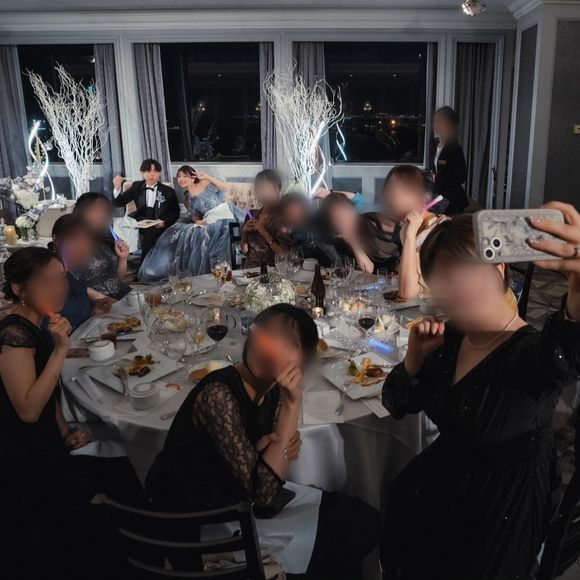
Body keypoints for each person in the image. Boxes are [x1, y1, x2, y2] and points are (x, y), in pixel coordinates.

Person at [380, 204, 580, 580]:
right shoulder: (450, 339)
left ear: (498, 269)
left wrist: (578, 286)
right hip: (439, 497)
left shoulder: (531, 355)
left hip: (498, 521)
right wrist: (413, 359)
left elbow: (565, 356)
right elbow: (396, 403)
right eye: (441, 277)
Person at [146, 304, 381, 579]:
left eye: (288, 341)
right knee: (343, 541)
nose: (269, 344)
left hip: (241, 497)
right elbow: (266, 494)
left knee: (364, 520)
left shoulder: (272, 391)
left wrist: (272, 446)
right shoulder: (218, 394)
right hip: (198, 523)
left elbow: (271, 477)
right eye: (266, 331)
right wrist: (291, 408)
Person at [0, 247, 143, 577]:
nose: (59, 288)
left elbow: (49, 395)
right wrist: (60, 351)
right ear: (20, 289)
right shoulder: (14, 334)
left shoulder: (40, 323)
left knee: (123, 459)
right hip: (24, 459)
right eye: (46, 282)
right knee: (120, 477)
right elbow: (28, 410)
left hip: (48, 439)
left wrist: (66, 432)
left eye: (62, 278)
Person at [138, 165, 243, 281]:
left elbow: (225, 187)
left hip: (222, 212)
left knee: (217, 231)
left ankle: (223, 270)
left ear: (193, 177)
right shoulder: (187, 200)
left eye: (185, 176)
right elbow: (194, 215)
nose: (181, 179)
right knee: (183, 231)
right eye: (179, 176)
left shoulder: (204, 183)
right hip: (209, 218)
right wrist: (197, 221)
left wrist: (207, 177)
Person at [382, 164, 447, 298]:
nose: (389, 198)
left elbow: (408, 292)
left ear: (422, 198)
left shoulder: (438, 230)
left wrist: (410, 236)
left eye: (398, 192)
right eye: (388, 190)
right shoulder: (406, 226)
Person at [49, 214, 116, 331]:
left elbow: (75, 312)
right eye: (74, 239)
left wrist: (92, 310)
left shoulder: (74, 270)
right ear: (57, 240)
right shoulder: (51, 273)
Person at [112, 158, 180, 259]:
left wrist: (164, 223)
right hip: (139, 220)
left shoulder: (168, 191)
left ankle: (144, 264)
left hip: (157, 223)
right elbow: (118, 203)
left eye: (155, 171)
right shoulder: (137, 186)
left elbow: (176, 213)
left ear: (159, 173)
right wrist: (117, 188)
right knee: (115, 225)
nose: (152, 174)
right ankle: (119, 260)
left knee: (150, 233)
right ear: (142, 173)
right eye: (148, 171)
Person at [317, 191, 399, 273]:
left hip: (395, 270)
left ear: (353, 211)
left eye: (346, 213)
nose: (345, 219)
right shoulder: (333, 243)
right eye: (338, 218)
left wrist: (330, 192)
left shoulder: (371, 221)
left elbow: (399, 233)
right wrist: (352, 242)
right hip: (371, 277)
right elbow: (368, 269)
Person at [73, 192, 131, 299]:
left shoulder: (108, 236)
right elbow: (72, 284)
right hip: (94, 302)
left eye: (105, 212)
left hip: (119, 295)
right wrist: (103, 300)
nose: (101, 216)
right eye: (96, 210)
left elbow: (118, 278)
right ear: (82, 211)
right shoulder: (72, 239)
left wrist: (123, 258)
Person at [240, 170, 287, 268]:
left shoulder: (283, 218)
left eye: (268, 189)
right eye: (260, 190)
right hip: (248, 271)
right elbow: (245, 252)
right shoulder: (251, 214)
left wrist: (264, 232)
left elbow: (284, 255)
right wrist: (244, 231)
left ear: (278, 189)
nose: (264, 194)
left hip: (270, 272)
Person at [430, 106, 468, 215]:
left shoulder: (455, 148)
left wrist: (437, 178)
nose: (435, 124)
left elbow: (461, 177)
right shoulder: (434, 143)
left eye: (438, 120)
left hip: (452, 200)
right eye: (435, 120)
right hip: (438, 198)